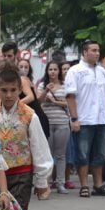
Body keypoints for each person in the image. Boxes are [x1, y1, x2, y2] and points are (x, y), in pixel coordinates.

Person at [0, 62, 52, 210]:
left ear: (20, 89)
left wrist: (41, 180)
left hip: (21, 173)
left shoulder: (29, 115)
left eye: (13, 90)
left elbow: (38, 146)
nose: (9, 95)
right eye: (4, 90)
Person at [65, 40, 105, 197]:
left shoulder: (102, 72)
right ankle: (84, 185)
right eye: (93, 50)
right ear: (85, 52)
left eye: (98, 50)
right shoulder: (75, 71)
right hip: (84, 119)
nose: (97, 53)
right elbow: (70, 96)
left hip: (101, 119)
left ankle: (98, 185)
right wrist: (74, 119)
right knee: (83, 154)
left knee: (100, 154)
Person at [37, 61, 69, 194]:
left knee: (61, 155)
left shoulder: (65, 85)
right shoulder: (41, 85)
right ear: (47, 71)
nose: (53, 72)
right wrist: (46, 90)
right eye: (50, 69)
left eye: (55, 69)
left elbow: (69, 103)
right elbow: (38, 101)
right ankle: (47, 183)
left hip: (62, 122)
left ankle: (60, 183)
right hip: (47, 123)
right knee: (47, 154)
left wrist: (55, 102)